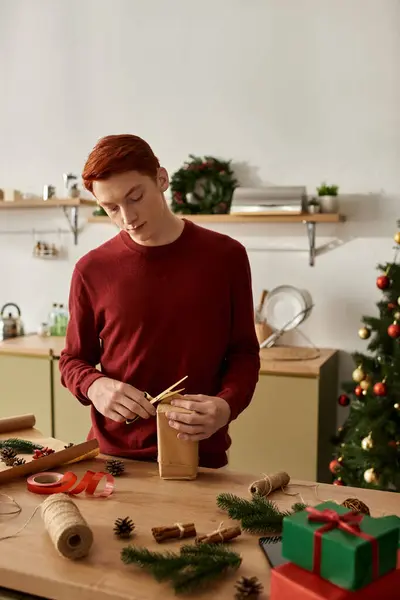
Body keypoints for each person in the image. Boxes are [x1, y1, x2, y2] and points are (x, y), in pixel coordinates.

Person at [59, 134, 260, 468]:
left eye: (135, 197)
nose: (127, 217)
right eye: (111, 208)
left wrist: (225, 406)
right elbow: (72, 361)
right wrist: (95, 386)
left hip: (200, 457)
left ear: (162, 179)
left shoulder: (227, 257)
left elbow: (244, 354)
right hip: (114, 460)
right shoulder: (91, 270)